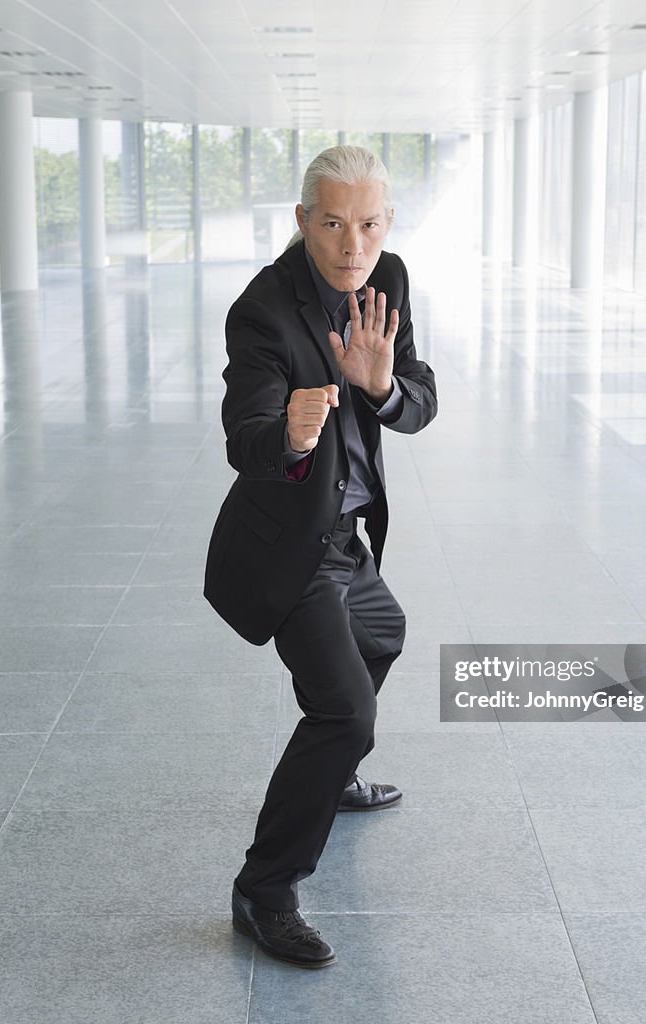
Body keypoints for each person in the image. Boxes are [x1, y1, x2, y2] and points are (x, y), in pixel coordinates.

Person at [204, 145, 438, 968]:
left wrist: (382, 390)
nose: (352, 246)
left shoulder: (390, 281)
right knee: (344, 712)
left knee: (384, 634)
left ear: (389, 224)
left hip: (348, 533)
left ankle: (329, 780)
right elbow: (246, 436)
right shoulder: (263, 308)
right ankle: (263, 892)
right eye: (333, 224)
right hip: (291, 543)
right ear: (303, 221)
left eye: (368, 225)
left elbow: (420, 399)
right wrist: (294, 433)